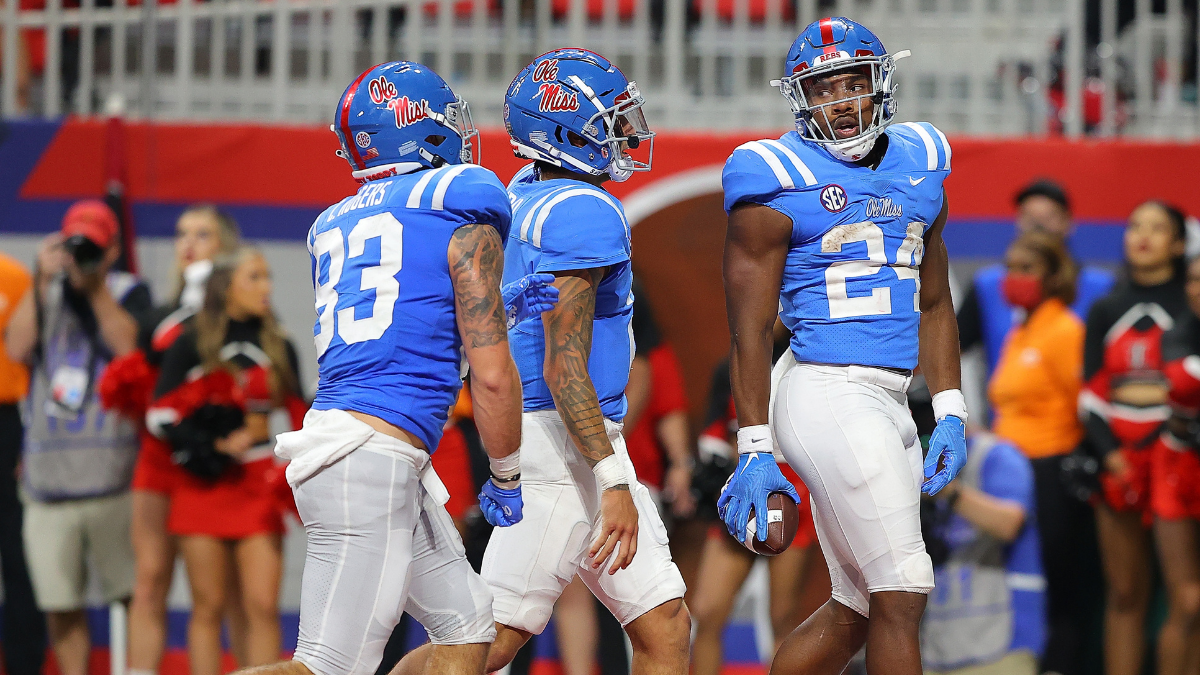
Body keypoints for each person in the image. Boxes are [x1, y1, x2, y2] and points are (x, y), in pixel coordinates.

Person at [234, 61, 537, 675]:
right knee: (327, 666)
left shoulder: (335, 221)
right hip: (369, 457)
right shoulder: (462, 199)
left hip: (365, 449)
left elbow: (406, 308)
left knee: (466, 634)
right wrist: (506, 475)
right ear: (419, 129)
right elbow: (493, 372)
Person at [397, 48, 692, 675]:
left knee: (665, 624)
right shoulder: (583, 210)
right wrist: (612, 481)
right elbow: (565, 367)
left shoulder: (518, 195)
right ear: (565, 130)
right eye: (611, 118)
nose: (625, 131)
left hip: (552, 435)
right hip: (565, 446)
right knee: (485, 645)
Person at [719, 16, 964, 675]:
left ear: (880, 86)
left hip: (888, 395)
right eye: (825, 89)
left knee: (858, 605)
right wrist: (753, 448)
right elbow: (748, 330)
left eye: (854, 84)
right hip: (825, 387)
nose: (842, 102)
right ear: (801, 99)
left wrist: (951, 409)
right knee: (904, 586)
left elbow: (934, 298)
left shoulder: (923, 158)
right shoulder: (770, 173)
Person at [6, 200, 151, 675]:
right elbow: (16, 347)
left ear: (112, 250)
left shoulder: (129, 291)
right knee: (60, 603)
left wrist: (94, 290)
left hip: (114, 480)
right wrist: (42, 278)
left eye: (92, 245)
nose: (81, 253)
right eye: (75, 243)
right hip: (49, 483)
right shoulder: (45, 293)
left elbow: (129, 345)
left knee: (129, 596)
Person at [99, 204, 245, 675]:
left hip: (219, 466)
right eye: (182, 234)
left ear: (224, 246)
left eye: (201, 235)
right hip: (160, 461)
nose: (188, 243)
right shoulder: (159, 317)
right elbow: (139, 385)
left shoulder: (241, 316)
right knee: (150, 581)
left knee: (228, 594)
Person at [146, 248, 303, 675]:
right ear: (226, 287)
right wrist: (210, 442)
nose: (266, 287)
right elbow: (159, 416)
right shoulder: (190, 342)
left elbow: (300, 415)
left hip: (257, 487)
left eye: (268, 277)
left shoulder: (279, 343)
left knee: (262, 605)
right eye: (254, 278)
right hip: (202, 486)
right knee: (208, 608)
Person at [1077, 201, 1188, 675]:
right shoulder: (1106, 307)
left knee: (1188, 598)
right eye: (1134, 225)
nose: (1142, 235)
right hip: (1119, 461)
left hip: (1181, 462)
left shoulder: (1193, 301)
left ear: (1179, 244)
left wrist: (1170, 443)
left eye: (1157, 228)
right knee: (1124, 594)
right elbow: (1088, 397)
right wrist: (1111, 455)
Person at [986, 230, 1093, 675]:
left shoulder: (1064, 328)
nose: (1014, 278)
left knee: (1059, 586)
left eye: (1026, 269)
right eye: (1009, 268)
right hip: (1010, 474)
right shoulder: (1020, 328)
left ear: (1052, 276)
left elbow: (1082, 406)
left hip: (1050, 472)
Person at [690, 352, 818, 675]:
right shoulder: (733, 363)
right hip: (743, 489)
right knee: (706, 611)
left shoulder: (810, 363)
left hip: (794, 493)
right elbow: (714, 432)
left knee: (782, 618)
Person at [957, 179, 1115, 377]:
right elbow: (952, 349)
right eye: (1029, 217)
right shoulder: (988, 287)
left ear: (1068, 222)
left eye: (1049, 217)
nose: (1038, 227)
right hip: (1007, 404)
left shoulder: (1102, 288)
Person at [920, 431, 1046, 675]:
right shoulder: (903, 464)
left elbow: (1008, 523)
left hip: (1004, 643)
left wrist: (946, 488)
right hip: (936, 646)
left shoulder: (997, 455)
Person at [1151, 252, 1200, 675]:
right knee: (1187, 601)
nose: (1197, 289)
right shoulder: (1177, 333)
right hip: (1178, 468)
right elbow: (1184, 379)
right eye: (1193, 280)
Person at [0, 251, 47, 675]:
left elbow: (24, 355)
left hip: (7, 424)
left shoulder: (12, 277)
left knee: (18, 556)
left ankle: (23, 666)